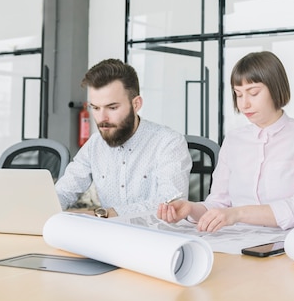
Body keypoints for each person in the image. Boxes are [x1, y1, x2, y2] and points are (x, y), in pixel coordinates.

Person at [158, 51, 294, 232]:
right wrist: (190, 209)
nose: (244, 104)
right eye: (238, 95)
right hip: (237, 239)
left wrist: (237, 214)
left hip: (289, 240)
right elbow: (218, 202)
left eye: (253, 93)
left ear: (276, 88)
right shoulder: (233, 139)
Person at [55, 59, 192, 217]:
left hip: (156, 237)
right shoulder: (94, 144)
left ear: (136, 104)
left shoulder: (169, 142)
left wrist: (106, 214)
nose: (102, 118)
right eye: (96, 108)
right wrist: (44, 208)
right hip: (109, 237)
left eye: (112, 107)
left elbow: (170, 203)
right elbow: (64, 191)